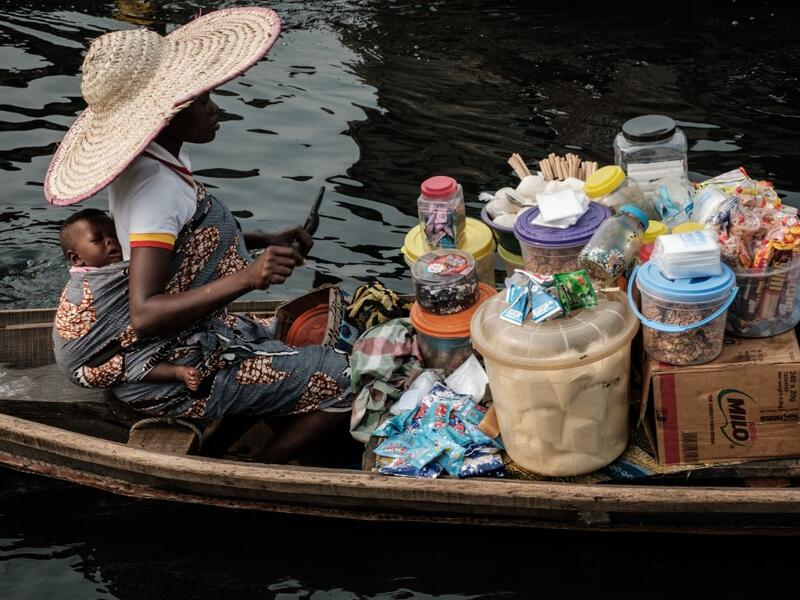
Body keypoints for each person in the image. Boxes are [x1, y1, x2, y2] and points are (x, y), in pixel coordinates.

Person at [46, 7, 352, 463]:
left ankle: (250, 420)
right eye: (204, 101)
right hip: (164, 369)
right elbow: (145, 314)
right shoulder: (154, 190)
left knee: (290, 336)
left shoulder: (158, 160)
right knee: (346, 377)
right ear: (169, 115)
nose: (216, 110)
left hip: (188, 333)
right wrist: (249, 278)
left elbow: (184, 239)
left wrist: (263, 239)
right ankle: (256, 474)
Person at [59, 208, 200, 391]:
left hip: (88, 354)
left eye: (113, 234)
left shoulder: (95, 275)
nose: (110, 241)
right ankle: (176, 372)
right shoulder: (99, 282)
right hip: (84, 367)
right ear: (76, 258)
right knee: (130, 363)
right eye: (98, 239)